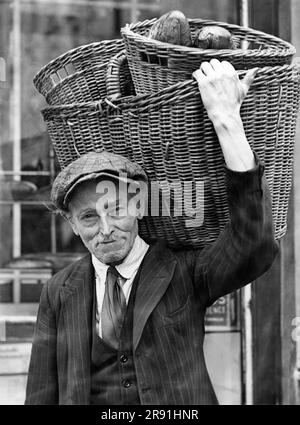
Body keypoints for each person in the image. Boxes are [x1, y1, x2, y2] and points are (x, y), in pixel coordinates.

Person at [25, 59, 279, 405]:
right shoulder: (58, 292)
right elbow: (41, 395)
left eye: (116, 210)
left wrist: (227, 121)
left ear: (140, 206)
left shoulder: (184, 272)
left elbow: (256, 246)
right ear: (70, 223)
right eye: (88, 217)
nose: (106, 229)